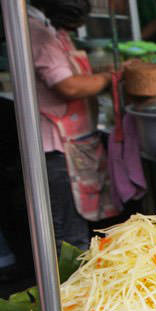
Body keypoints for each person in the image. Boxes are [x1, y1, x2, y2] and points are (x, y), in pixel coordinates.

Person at [29, 0, 118, 252]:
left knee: (77, 233)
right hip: (57, 149)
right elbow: (68, 86)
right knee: (70, 239)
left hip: (74, 145)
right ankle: (67, 289)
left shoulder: (51, 30)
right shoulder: (37, 33)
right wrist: (108, 78)